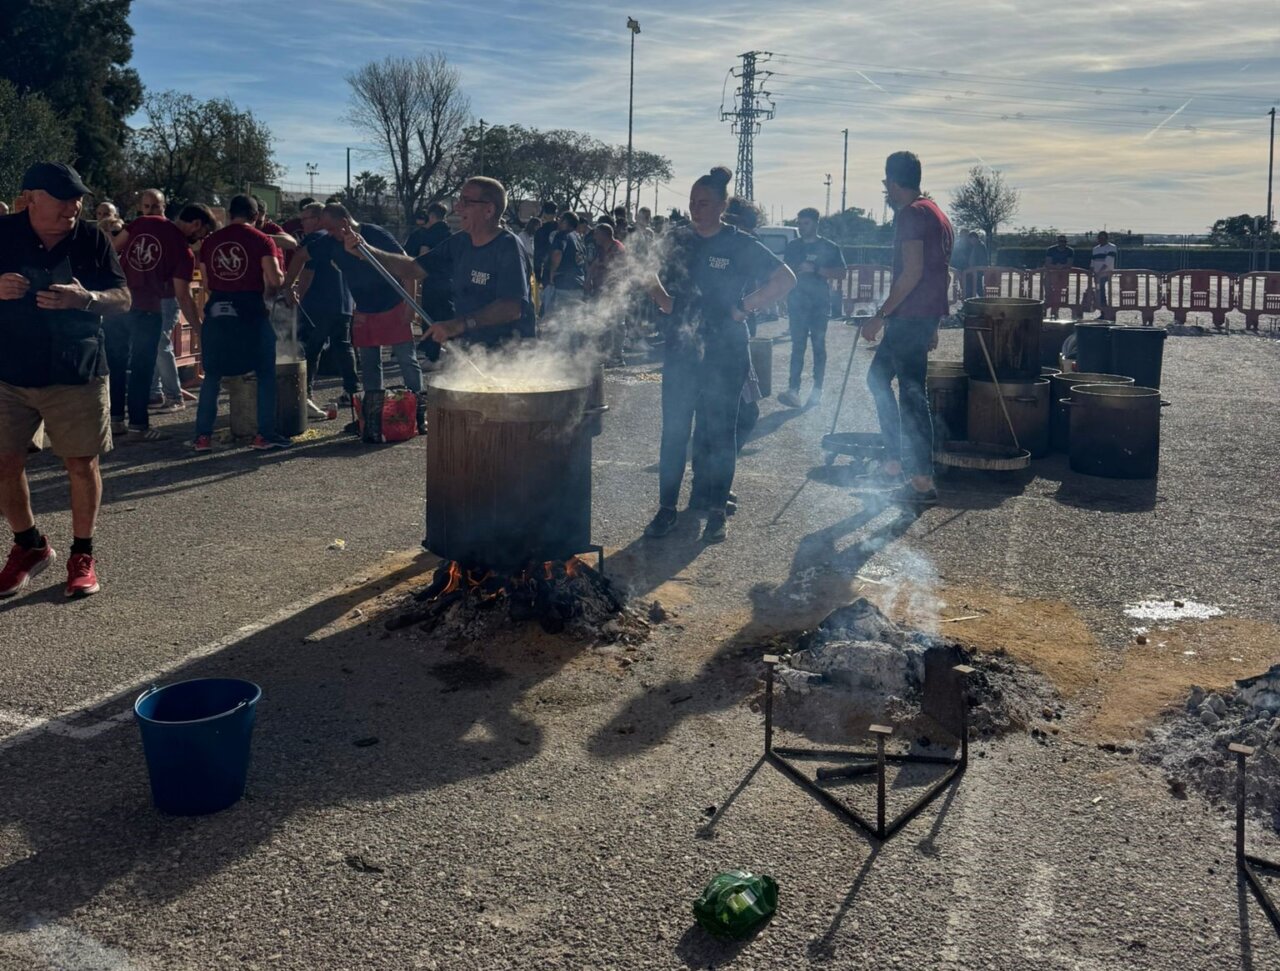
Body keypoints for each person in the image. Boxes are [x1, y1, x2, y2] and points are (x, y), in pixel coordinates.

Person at [0, 162, 132, 598]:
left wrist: (87, 298)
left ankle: (82, 554)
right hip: (10, 371)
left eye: (77, 198)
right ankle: (29, 546)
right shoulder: (4, 232)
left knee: (80, 463)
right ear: (31, 199)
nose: (73, 207)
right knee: (3, 463)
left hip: (76, 371)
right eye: (62, 198)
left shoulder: (92, 238)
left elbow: (123, 298)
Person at [643, 166, 795, 544]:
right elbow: (645, 269)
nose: (695, 209)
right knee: (674, 431)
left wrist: (745, 306)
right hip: (681, 348)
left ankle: (715, 512)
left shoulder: (740, 243)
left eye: (704, 203)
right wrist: (664, 300)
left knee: (720, 433)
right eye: (692, 202)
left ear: (722, 206)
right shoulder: (678, 239)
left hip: (726, 351)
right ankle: (666, 509)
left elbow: (785, 279)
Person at [345, 175, 535, 355]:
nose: (458, 208)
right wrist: (367, 252)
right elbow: (413, 268)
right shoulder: (460, 242)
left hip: (510, 355)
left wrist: (459, 324)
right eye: (459, 201)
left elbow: (511, 307)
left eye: (466, 201)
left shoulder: (508, 246)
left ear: (489, 210)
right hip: (471, 352)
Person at [859, 151, 954, 507]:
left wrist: (880, 315)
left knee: (913, 397)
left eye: (886, 183)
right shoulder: (936, 213)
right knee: (879, 380)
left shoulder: (912, 214)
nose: (886, 189)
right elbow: (941, 273)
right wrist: (935, 323)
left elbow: (912, 272)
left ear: (893, 183)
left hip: (908, 319)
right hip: (920, 318)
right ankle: (894, 463)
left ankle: (921, 482)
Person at [308, 203, 423, 440]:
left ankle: (418, 414)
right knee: (370, 364)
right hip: (365, 309)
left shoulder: (375, 234)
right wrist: (289, 284)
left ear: (344, 222)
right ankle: (373, 417)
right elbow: (302, 254)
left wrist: (410, 306)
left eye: (331, 228)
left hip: (393, 305)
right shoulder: (330, 242)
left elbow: (408, 267)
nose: (328, 233)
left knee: (406, 360)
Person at [106, 203, 216, 438]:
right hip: (147, 309)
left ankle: (115, 420)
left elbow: (113, 248)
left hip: (118, 302)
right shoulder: (183, 252)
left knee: (116, 363)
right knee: (142, 368)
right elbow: (183, 296)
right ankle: (138, 426)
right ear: (196, 224)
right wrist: (200, 329)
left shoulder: (145, 221)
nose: (201, 240)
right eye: (203, 233)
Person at [192, 194, 290, 453]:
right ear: (255, 216)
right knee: (265, 373)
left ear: (229, 214)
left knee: (212, 376)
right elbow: (275, 279)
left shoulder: (210, 241)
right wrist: (277, 286)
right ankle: (264, 435)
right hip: (250, 314)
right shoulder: (262, 239)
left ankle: (202, 437)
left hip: (217, 313)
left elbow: (206, 283)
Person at [282, 203, 359, 414]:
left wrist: (294, 293)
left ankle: (304, 395)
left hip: (320, 302)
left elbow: (308, 271)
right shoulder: (341, 238)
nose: (302, 224)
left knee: (311, 348)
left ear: (318, 219)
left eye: (306, 219)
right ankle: (352, 391)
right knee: (343, 346)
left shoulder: (317, 239)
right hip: (343, 303)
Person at [779, 207, 846, 408]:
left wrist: (815, 269)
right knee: (797, 346)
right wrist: (782, 297)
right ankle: (793, 390)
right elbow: (784, 273)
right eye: (799, 223)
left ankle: (817, 390)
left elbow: (842, 273)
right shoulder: (792, 247)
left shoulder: (830, 247)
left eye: (805, 223)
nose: (801, 227)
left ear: (816, 224)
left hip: (819, 304)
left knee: (818, 346)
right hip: (797, 303)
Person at [544, 211, 586, 318]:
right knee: (573, 320)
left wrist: (552, 274)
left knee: (557, 319)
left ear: (565, 222)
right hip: (578, 285)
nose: (557, 221)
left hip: (564, 285)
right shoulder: (578, 238)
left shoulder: (562, 235)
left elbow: (557, 254)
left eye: (560, 219)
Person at [1091, 231, 1118, 315]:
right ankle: (1102, 310)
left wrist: (1100, 272)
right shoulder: (1095, 249)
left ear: (1106, 238)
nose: (1101, 240)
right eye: (1099, 238)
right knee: (1098, 291)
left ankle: (1105, 310)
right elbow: (1092, 261)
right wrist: (1092, 271)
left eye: (1103, 238)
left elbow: (1108, 261)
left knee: (1102, 290)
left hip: (1106, 273)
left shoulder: (1112, 247)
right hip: (1097, 274)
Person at [961, 230, 987, 298]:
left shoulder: (980, 246)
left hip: (976, 271)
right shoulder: (975, 245)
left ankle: (979, 301)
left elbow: (981, 260)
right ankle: (970, 300)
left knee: (977, 288)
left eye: (971, 240)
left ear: (975, 238)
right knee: (972, 289)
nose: (971, 242)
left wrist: (977, 269)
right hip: (973, 271)